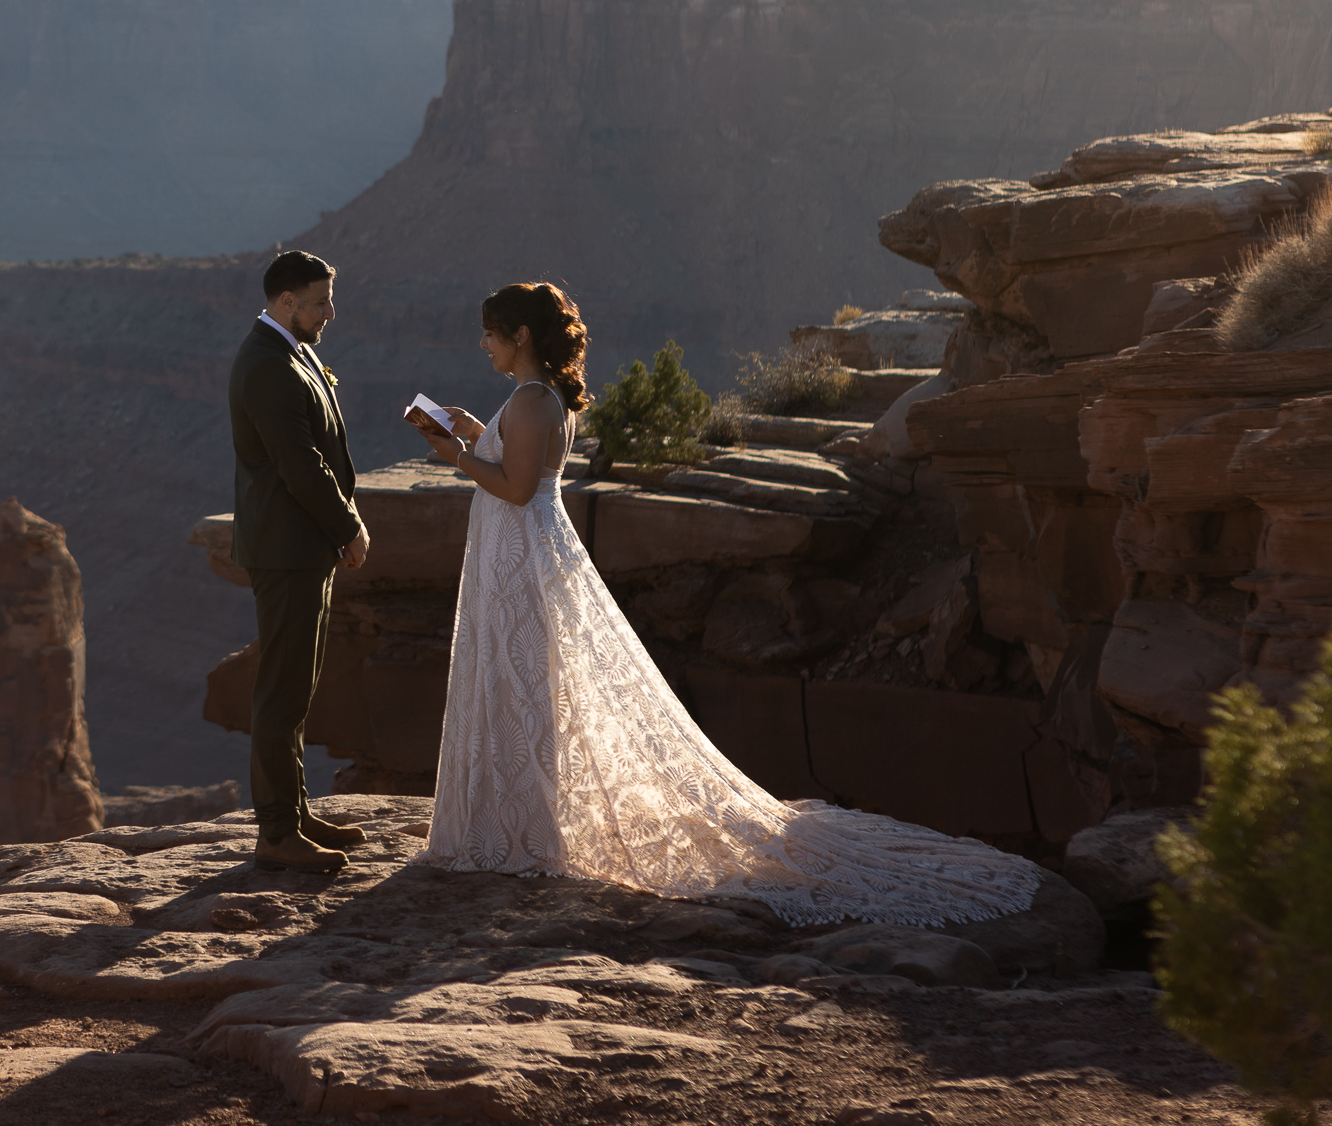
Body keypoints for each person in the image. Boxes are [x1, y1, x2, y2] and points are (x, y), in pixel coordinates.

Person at [405, 282, 1038, 925]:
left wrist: (459, 456)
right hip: (523, 553)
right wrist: (473, 431)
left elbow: (515, 488)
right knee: (526, 685)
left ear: (521, 337)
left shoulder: (533, 399)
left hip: (524, 559)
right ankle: (523, 820)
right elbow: (519, 463)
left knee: (525, 686)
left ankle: (527, 829)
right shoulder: (538, 398)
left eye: (490, 333)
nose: (483, 344)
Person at [228, 250, 371, 873]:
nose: (329, 314)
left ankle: (296, 810)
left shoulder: (292, 350)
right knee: (280, 690)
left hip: (301, 547)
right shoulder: (266, 364)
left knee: (298, 686)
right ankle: (276, 832)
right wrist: (349, 527)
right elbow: (299, 464)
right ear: (287, 302)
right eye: (320, 303)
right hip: (287, 550)